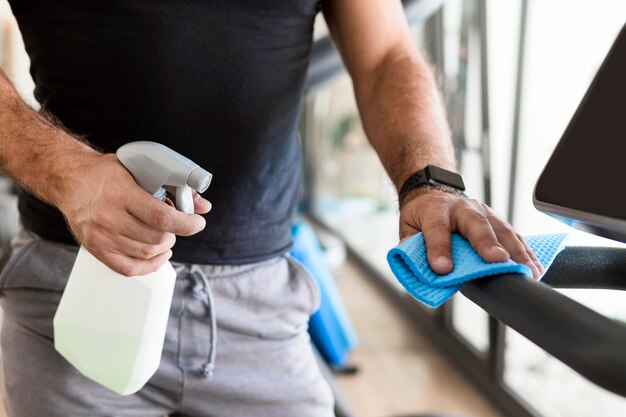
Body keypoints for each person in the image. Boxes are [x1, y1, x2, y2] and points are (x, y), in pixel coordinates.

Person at [0, 0, 543, 416]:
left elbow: (385, 56)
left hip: (262, 305)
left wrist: (431, 182)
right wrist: (69, 174)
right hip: (77, 294)